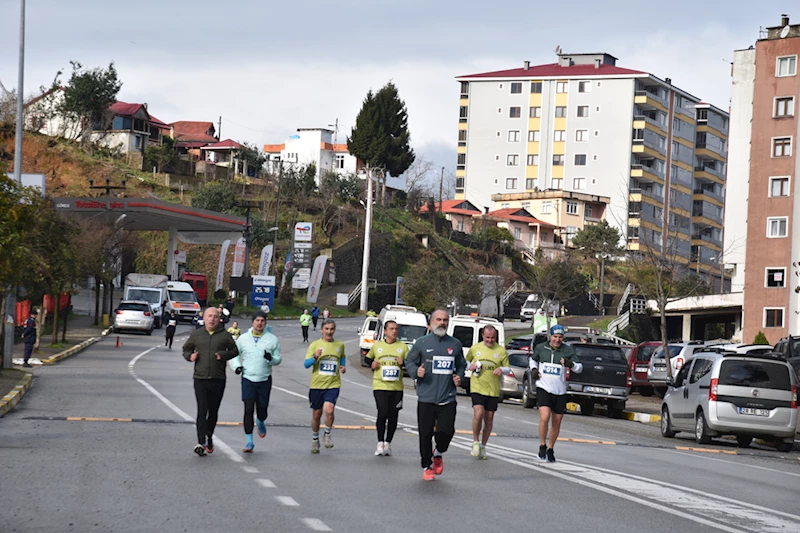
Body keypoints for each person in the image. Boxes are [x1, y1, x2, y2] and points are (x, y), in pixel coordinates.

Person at [405, 309, 466, 481]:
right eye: (438, 319)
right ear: (431, 322)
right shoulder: (421, 343)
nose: (442, 323)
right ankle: (427, 466)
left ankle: (438, 453)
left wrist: (459, 376)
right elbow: (410, 361)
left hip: (447, 397)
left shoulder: (455, 344)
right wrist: (416, 371)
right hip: (426, 396)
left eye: (445, 320)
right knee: (425, 433)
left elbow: (462, 364)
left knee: (447, 431)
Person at [182, 307, 239, 457]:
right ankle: (200, 442)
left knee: (213, 411)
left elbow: (235, 351)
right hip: (200, 378)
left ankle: (209, 436)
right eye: (209, 316)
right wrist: (190, 356)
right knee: (202, 410)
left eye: (215, 316)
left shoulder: (225, 335)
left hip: (218, 378)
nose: (212, 319)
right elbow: (186, 349)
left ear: (219, 318)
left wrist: (223, 355)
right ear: (204, 318)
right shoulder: (197, 334)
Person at [529, 324, 583, 463]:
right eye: (555, 337)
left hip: (560, 390)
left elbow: (579, 368)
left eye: (560, 337)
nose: (557, 340)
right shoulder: (541, 348)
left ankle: (551, 448)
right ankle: (542, 444)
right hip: (544, 387)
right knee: (545, 417)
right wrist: (534, 370)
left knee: (557, 421)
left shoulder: (567, 350)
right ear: (550, 336)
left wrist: (571, 364)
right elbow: (533, 359)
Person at [230, 311, 282, 453]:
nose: (259, 323)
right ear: (252, 322)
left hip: (264, 379)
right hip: (247, 378)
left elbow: (278, 359)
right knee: (248, 409)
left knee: (262, 408)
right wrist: (236, 367)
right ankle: (249, 441)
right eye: (257, 320)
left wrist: (271, 358)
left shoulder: (272, 339)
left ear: (265, 323)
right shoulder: (243, 338)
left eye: (262, 321)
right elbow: (234, 355)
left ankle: (260, 420)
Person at [465, 325, 510, 459]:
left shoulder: (501, 351)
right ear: (482, 336)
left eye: (492, 338)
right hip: (477, 387)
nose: (490, 341)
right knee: (478, 413)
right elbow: (465, 361)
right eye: (487, 338)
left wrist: (502, 370)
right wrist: (470, 366)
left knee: (489, 418)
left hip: (493, 390)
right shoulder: (475, 348)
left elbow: (508, 368)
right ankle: (475, 441)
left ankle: (484, 445)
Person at [365, 320, 408, 457]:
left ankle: (388, 443)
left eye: (396, 329)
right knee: (382, 412)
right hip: (380, 385)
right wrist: (372, 364)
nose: (394, 331)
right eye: (391, 329)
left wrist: (404, 363)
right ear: (385, 331)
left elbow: (412, 363)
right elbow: (367, 359)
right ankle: (380, 442)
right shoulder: (378, 346)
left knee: (393, 415)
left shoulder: (403, 347)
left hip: (396, 387)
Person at [304, 319, 346, 453]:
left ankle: (327, 433)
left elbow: (342, 357)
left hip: (333, 384)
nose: (329, 332)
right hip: (317, 385)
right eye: (326, 329)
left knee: (329, 409)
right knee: (317, 415)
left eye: (332, 329)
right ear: (322, 330)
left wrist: (343, 366)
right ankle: (315, 439)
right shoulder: (315, 345)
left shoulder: (340, 345)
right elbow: (306, 364)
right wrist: (315, 358)